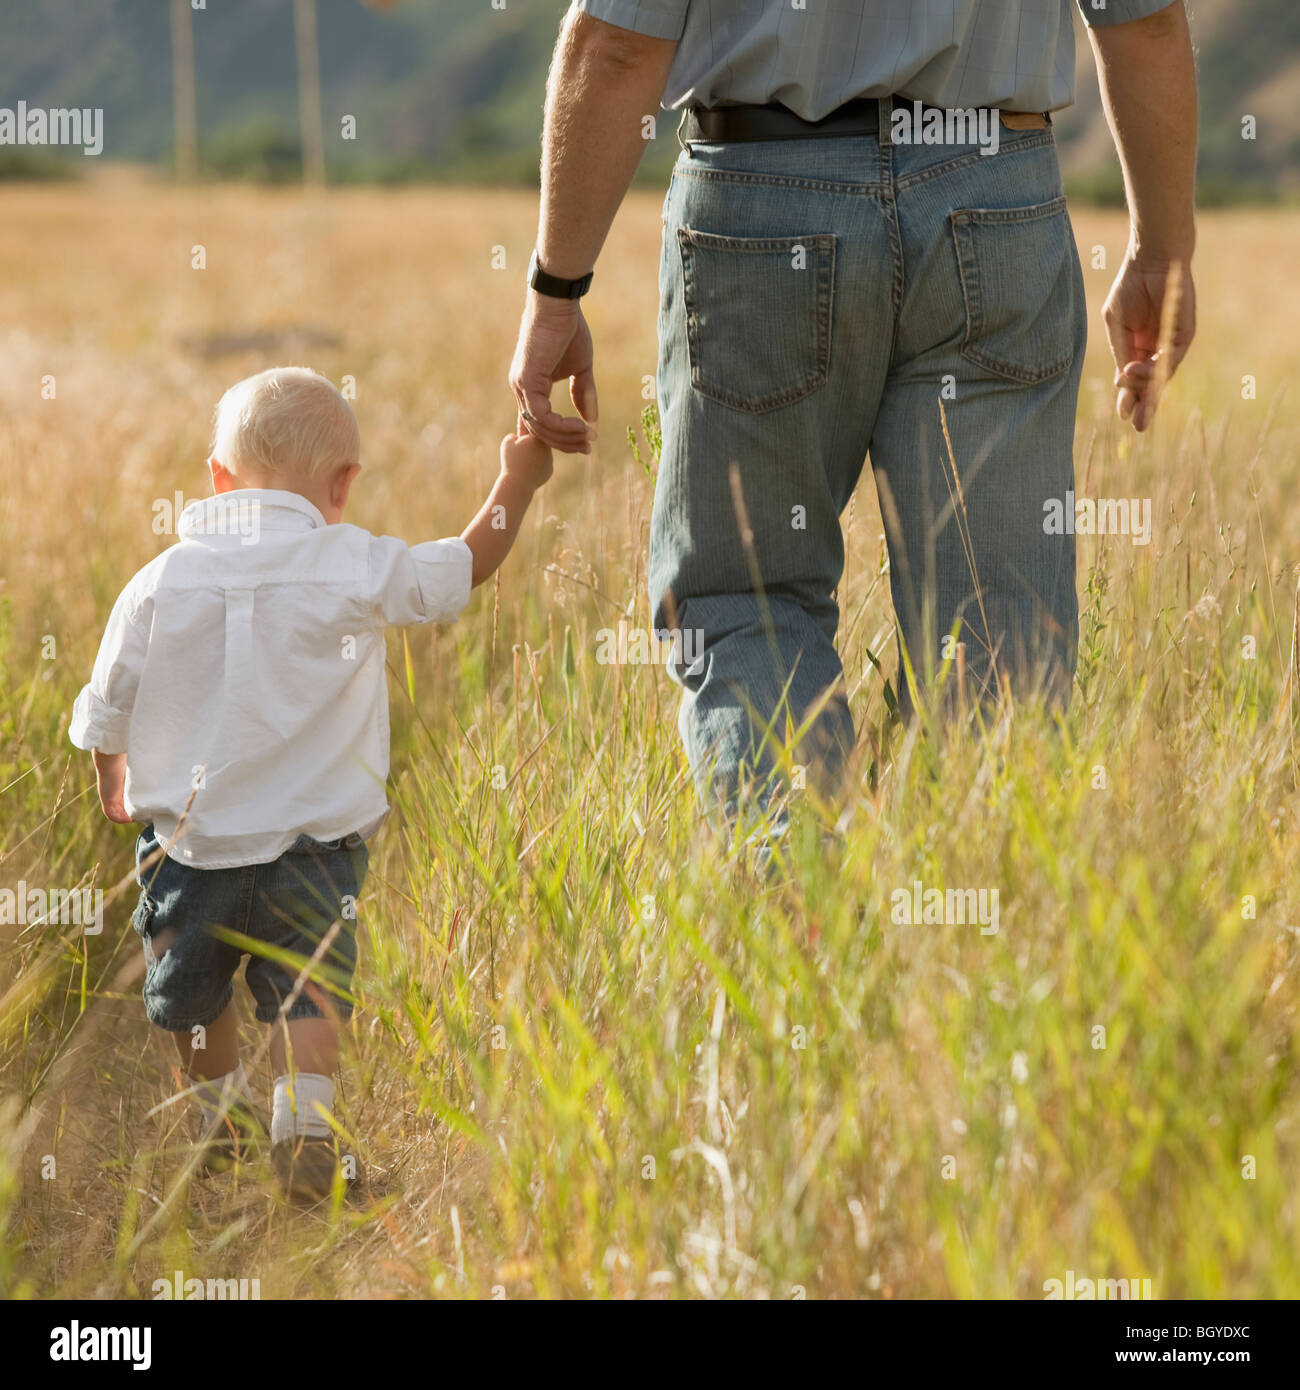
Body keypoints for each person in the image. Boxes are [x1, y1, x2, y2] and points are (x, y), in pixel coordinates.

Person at [509, 0, 1197, 813]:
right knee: (997, 620)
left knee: (747, 601)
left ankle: (787, 889)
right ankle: (992, 903)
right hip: (994, 192)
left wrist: (558, 288)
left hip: (762, 200)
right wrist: (1162, 249)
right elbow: (1145, 20)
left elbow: (619, 45)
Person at [69, 367, 552, 1201]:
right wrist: (518, 478)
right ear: (343, 485)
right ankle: (306, 1123)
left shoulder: (158, 580)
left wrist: (111, 768)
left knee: (186, 993)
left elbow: (109, 698)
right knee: (309, 991)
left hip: (190, 847)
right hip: (315, 853)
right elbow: (459, 569)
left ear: (217, 478)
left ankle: (219, 1118)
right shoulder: (350, 561)